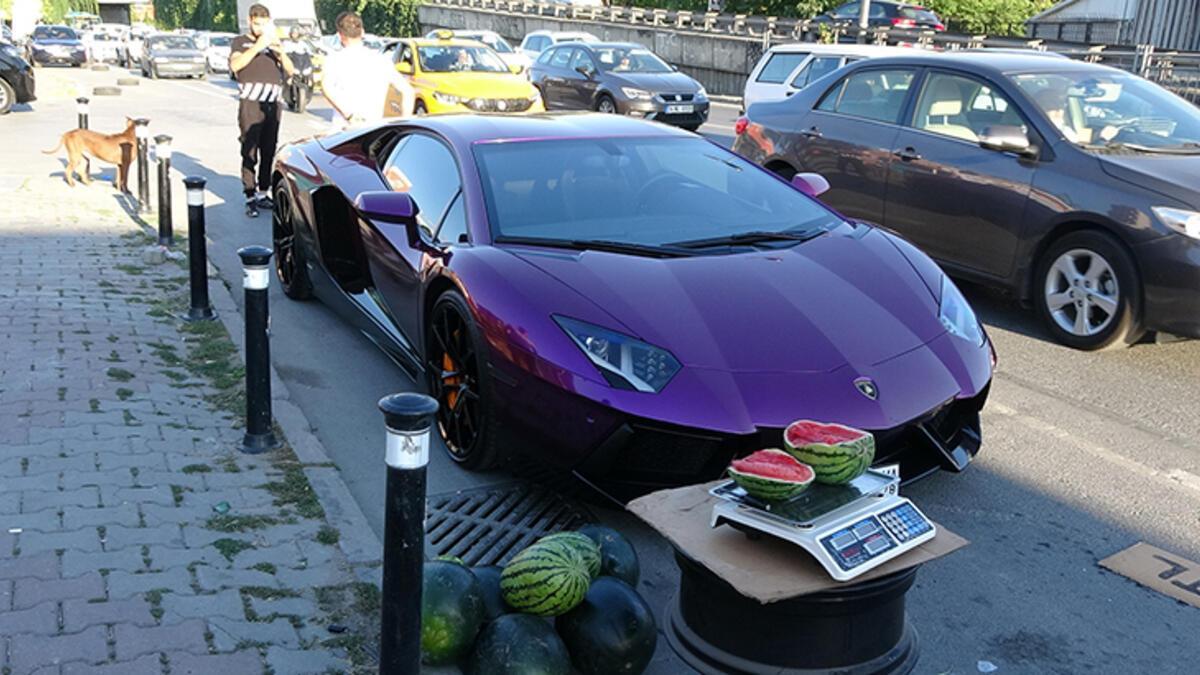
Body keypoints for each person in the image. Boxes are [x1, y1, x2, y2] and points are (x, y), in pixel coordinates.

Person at [229, 3, 294, 217]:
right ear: (250, 21)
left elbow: (290, 70)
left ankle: (263, 192)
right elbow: (236, 66)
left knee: (269, 148)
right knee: (249, 149)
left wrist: (280, 52)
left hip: (272, 104)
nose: (260, 29)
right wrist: (258, 46)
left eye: (264, 25)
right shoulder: (241, 42)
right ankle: (249, 194)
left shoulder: (274, 43)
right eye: (257, 24)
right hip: (251, 103)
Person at [321, 11, 415, 128]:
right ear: (363, 32)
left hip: (344, 133)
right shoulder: (381, 60)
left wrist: (349, 115)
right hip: (373, 131)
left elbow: (326, 88)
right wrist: (403, 124)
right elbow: (408, 92)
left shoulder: (334, 60)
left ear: (340, 35)